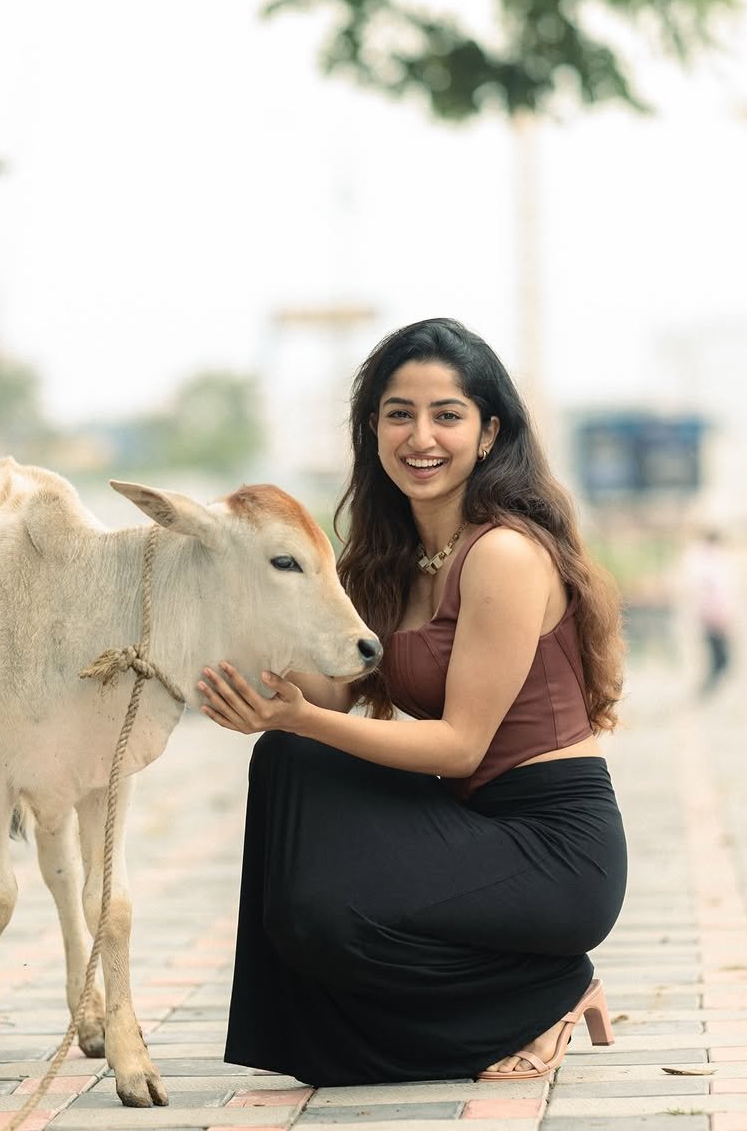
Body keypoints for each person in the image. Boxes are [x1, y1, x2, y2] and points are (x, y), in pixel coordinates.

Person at [196, 317, 627, 1085]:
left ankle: (547, 993)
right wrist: (233, 630)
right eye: (399, 413)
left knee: (321, 865)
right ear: (372, 429)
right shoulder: (387, 563)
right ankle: (364, 1026)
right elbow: (325, 690)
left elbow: (459, 745)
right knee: (289, 766)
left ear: (489, 433)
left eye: (446, 415)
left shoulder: (502, 554)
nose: (420, 436)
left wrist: (301, 717)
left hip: (555, 848)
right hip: (469, 826)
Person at [685, 529, 736, 697]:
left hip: (713, 612)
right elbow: (716, 589)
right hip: (712, 612)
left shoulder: (709, 560)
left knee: (718, 653)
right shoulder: (707, 561)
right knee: (719, 654)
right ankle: (709, 684)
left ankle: (710, 683)